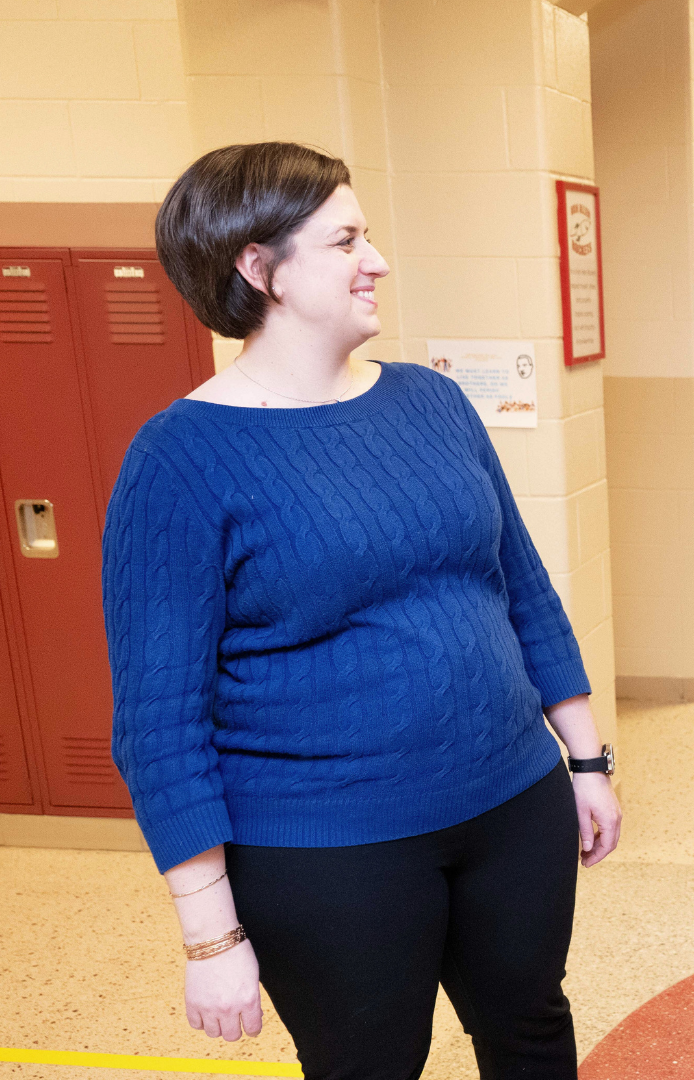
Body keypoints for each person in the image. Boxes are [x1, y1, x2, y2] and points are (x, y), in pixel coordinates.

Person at [106, 142, 621, 1077]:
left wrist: (586, 758)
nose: (376, 260)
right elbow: (159, 722)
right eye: (345, 239)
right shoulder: (179, 457)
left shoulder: (431, 402)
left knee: (533, 1029)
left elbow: (524, 592)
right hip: (325, 844)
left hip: (513, 801)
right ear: (258, 269)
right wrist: (211, 938)